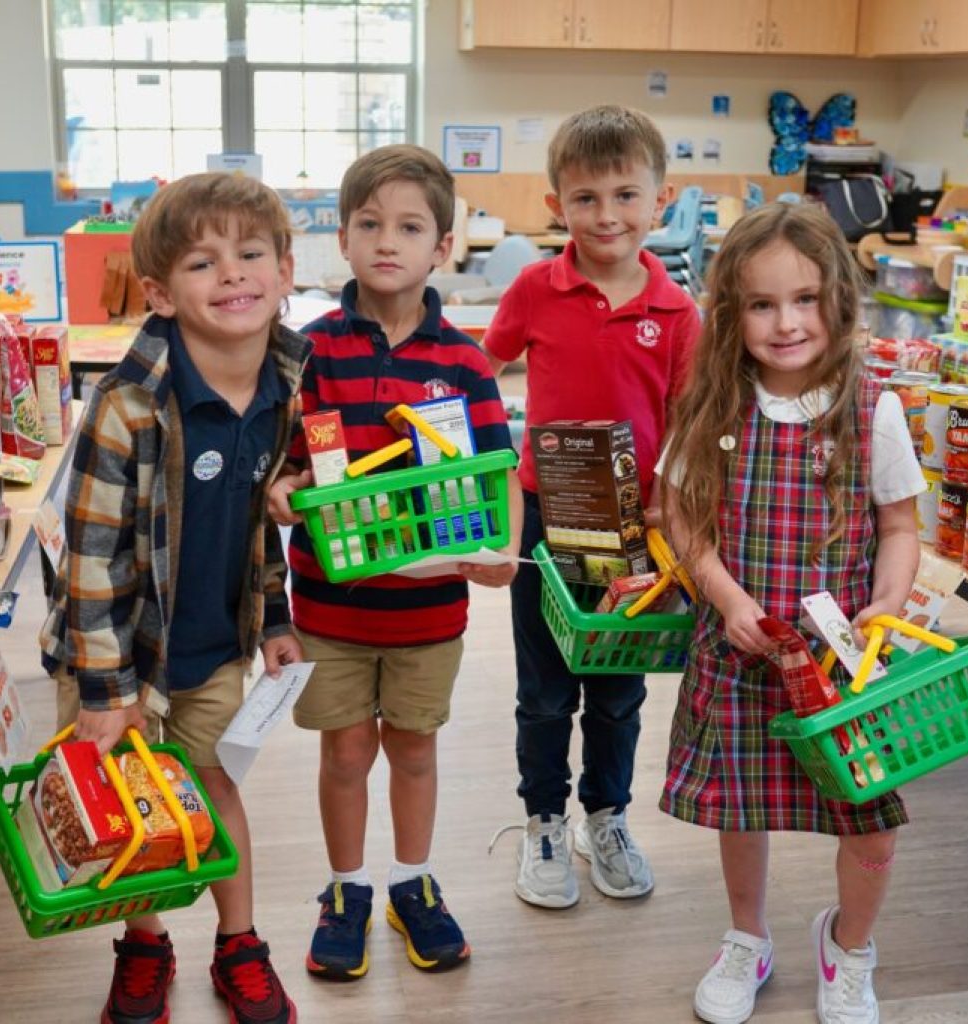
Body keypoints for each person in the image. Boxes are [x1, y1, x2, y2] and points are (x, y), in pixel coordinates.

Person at [41, 172, 311, 1024]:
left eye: (250, 253)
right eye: (202, 261)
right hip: (114, 654)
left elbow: (262, 525)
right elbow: (85, 558)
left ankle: (240, 943)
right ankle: (145, 943)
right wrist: (105, 692)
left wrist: (273, 618)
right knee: (131, 806)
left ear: (286, 268)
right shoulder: (128, 404)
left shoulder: (285, 387)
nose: (232, 274)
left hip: (211, 647)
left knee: (211, 790)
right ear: (159, 292)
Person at [657, 202, 923, 1024]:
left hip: (846, 669)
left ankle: (850, 948)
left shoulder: (871, 404)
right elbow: (681, 518)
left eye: (804, 300)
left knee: (870, 821)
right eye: (761, 305)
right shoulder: (713, 407)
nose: (785, 323)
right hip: (740, 654)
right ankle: (748, 938)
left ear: (838, 301)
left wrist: (887, 601)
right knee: (743, 806)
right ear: (731, 313)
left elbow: (901, 524)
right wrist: (727, 598)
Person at [267, 144, 521, 981]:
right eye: (369, 224)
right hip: (334, 608)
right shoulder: (310, 353)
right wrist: (286, 486)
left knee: (413, 749)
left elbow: (498, 467)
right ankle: (346, 890)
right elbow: (288, 460)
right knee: (343, 753)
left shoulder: (463, 360)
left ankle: (412, 882)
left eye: (410, 226)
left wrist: (506, 548)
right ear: (341, 238)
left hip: (428, 611)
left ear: (442, 247)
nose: (388, 241)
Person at [481, 105, 700, 908]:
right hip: (543, 521)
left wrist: (672, 526)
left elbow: (686, 430)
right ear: (555, 207)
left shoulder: (680, 316)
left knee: (617, 691)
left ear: (660, 201)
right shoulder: (537, 287)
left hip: (635, 535)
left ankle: (603, 814)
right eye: (585, 198)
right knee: (543, 689)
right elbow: (482, 369)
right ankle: (543, 817)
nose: (606, 215)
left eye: (624, 195)